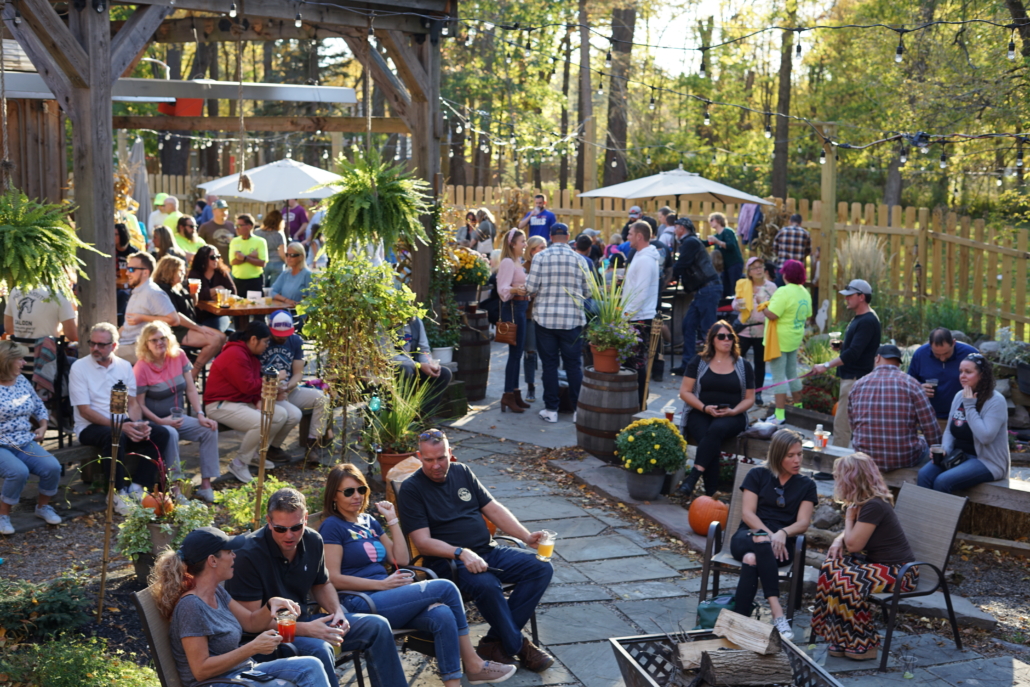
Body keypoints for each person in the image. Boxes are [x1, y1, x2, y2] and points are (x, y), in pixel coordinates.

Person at [319, 464, 517, 686]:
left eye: (361, 490)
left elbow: (401, 559)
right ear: (333, 496)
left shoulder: (368, 521)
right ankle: (472, 663)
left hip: (388, 597)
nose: (356, 496)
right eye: (348, 491)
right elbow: (333, 578)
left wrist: (393, 520)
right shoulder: (332, 527)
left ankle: (454, 684)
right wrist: (382, 585)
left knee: (442, 614)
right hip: (361, 602)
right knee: (446, 588)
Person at [399, 429, 555, 671]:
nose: (436, 465)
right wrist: (461, 552)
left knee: (540, 568)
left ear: (450, 453)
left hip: (487, 551)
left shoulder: (462, 472)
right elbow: (423, 542)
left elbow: (493, 508)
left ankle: (494, 643)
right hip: (448, 563)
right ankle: (518, 646)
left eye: (441, 458)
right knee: (486, 584)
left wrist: (526, 536)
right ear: (419, 456)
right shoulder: (411, 489)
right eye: (428, 460)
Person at [226, 488, 409, 687]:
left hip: (304, 622)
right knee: (320, 648)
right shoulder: (247, 555)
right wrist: (307, 629)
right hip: (268, 639)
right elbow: (252, 624)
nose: (289, 535)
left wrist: (337, 611)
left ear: (305, 519)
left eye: (296, 527)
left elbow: (322, 583)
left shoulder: (313, 540)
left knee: (378, 626)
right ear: (269, 522)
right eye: (280, 529)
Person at [150, 526, 333, 687]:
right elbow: (201, 670)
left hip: (241, 673)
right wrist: (253, 647)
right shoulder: (191, 607)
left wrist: (270, 605)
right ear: (213, 560)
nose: (234, 556)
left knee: (311, 665)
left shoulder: (217, 593)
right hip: (218, 682)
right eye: (229, 551)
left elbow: (251, 622)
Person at [811, 453, 917, 661]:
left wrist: (848, 520)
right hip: (878, 567)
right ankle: (842, 635)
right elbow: (853, 537)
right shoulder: (864, 503)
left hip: (901, 572)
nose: (835, 480)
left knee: (848, 580)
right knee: (831, 567)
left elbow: (854, 544)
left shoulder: (873, 505)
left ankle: (866, 643)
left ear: (851, 479)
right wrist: (837, 539)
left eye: (838, 476)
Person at [69, 323, 174, 515]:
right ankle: (116, 493)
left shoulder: (124, 366)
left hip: (120, 422)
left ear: (114, 346)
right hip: (90, 426)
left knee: (160, 433)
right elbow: (84, 411)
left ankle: (137, 487)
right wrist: (121, 427)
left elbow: (133, 403)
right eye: (92, 343)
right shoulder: (79, 367)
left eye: (101, 345)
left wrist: (137, 424)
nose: (95, 348)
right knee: (115, 436)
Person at [730, 428, 817, 639]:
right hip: (748, 536)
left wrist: (783, 532)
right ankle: (778, 614)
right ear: (778, 456)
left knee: (752, 559)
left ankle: (738, 623)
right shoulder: (757, 474)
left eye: (799, 454)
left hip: (781, 546)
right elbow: (748, 514)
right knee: (758, 541)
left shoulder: (807, 485)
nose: (797, 460)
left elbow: (803, 522)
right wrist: (769, 534)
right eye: (791, 456)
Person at [133, 321, 220, 503]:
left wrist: (200, 415)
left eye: (163, 338)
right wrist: (162, 421)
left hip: (177, 418)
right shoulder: (141, 367)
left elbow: (190, 389)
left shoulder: (178, 356)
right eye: (154, 340)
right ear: (146, 344)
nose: (159, 343)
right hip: (156, 422)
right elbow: (139, 405)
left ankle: (206, 486)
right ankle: (176, 489)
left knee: (209, 428)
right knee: (170, 433)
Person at [204, 322, 298, 483]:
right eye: (266, 341)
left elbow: (251, 385)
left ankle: (255, 455)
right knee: (263, 421)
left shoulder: (249, 354)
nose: (267, 346)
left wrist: (257, 402)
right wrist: (274, 379)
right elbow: (248, 386)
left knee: (280, 414)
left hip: (239, 402)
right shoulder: (236, 353)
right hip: (219, 405)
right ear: (254, 339)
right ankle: (239, 463)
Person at [677, 321, 755, 496]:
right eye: (721, 336)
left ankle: (693, 478)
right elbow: (685, 392)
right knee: (709, 436)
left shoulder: (743, 365)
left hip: (733, 415)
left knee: (716, 430)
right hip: (700, 411)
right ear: (712, 340)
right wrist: (704, 408)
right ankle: (711, 495)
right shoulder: (699, 361)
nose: (726, 340)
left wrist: (734, 411)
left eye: (730, 337)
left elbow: (750, 399)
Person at [524, 222, 589, 424]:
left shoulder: (541, 257)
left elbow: (530, 287)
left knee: (549, 365)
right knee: (573, 365)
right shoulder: (580, 259)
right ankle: (578, 410)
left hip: (546, 319)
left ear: (551, 237)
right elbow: (588, 292)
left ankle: (551, 410)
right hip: (572, 320)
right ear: (569, 237)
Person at [918, 352, 1009, 493]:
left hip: (986, 461)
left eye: (968, 372)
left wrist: (970, 406)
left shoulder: (996, 401)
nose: (962, 376)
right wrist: (945, 449)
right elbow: (949, 429)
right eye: (960, 372)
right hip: (958, 455)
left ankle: (942, 515)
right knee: (924, 475)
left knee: (943, 481)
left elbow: (985, 437)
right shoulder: (959, 395)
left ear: (982, 375)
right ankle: (924, 515)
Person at [0, 341, 63, 534]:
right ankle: (3, 516)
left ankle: (42, 507)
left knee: (52, 467)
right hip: (1, 444)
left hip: (25, 440)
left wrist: (43, 426)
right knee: (18, 472)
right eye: (19, 359)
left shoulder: (22, 381)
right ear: (6, 362)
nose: (23, 363)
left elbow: (38, 406)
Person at [847, 345, 941, 472]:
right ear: (898, 363)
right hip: (904, 458)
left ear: (878, 358)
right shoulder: (912, 384)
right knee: (923, 444)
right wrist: (937, 451)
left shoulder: (857, 385)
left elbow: (853, 424)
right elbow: (930, 426)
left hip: (865, 457)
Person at [812, 279, 881, 447]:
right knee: (846, 423)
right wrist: (842, 345)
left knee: (842, 424)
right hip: (851, 377)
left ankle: (837, 466)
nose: (846, 299)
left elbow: (853, 354)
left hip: (854, 379)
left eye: (850, 296)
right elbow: (859, 347)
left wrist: (825, 365)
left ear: (861, 297)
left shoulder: (867, 321)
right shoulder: (861, 318)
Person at [260, 311, 330, 450]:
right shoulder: (262, 341)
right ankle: (269, 448)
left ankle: (313, 444)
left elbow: (298, 373)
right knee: (291, 415)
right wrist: (273, 386)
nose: (282, 338)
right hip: (264, 392)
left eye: (285, 334)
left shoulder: (296, 340)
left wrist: (287, 387)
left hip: (287, 389)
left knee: (322, 398)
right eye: (278, 335)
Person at [152, 255, 227, 377]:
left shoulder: (178, 287)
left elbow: (191, 307)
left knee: (222, 337)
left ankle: (193, 370)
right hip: (175, 328)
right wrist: (197, 328)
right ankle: (193, 374)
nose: (183, 274)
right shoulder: (162, 289)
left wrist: (194, 295)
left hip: (188, 324)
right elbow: (176, 315)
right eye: (180, 271)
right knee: (214, 340)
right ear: (169, 271)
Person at [762, 260, 812, 423]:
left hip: (779, 340)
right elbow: (808, 314)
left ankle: (779, 415)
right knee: (792, 374)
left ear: (786, 274)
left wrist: (761, 306)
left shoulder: (784, 291)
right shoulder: (804, 292)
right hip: (794, 339)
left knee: (779, 377)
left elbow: (772, 314)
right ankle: (799, 407)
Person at [672, 217, 721, 374]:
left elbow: (681, 265)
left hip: (708, 289)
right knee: (688, 325)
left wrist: (667, 277)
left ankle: (715, 366)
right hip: (703, 290)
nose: (674, 231)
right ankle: (688, 365)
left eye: (676, 227)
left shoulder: (691, 242)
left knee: (708, 330)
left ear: (682, 228)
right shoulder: (690, 242)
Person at [906, 328, 979, 423]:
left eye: (946, 353)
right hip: (929, 417)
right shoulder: (920, 354)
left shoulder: (970, 354)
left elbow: (984, 381)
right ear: (930, 345)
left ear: (954, 343)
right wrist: (918, 388)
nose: (942, 358)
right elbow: (908, 383)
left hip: (963, 417)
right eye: (937, 354)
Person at [623, 221, 660, 408]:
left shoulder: (645, 260)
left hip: (639, 317)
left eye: (630, 233)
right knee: (631, 361)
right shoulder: (641, 256)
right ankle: (634, 401)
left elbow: (641, 292)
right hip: (635, 316)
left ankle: (639, 403)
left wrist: (626, 315)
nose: (627, 236)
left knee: (637, 362)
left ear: (639, 236)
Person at [119, 252, 179, 364]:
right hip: (125, 343)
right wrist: (111, 338)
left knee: (98, 354)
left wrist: (143, 318)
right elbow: (126, 324)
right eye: (127, 268)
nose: (127, 273)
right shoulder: (137, 290)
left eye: (131, 269)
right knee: (96, 347)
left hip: (139, 347)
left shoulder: (153, 292)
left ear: (145, 272)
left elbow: (174, 320)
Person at [733, 256, 777, 406]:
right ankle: (737, 391)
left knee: (760, 363)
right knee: (737, 361)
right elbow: (734, 303)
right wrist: (738, 305)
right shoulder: (743, 284)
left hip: (762, 329)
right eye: (754, 268)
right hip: (744, 329)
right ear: (749, 272)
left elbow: (776, 306)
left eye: (760, 267)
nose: (758, 270)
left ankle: (757, 393)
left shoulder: (771, 287)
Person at [497, 229, 531, 414]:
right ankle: (508, 394)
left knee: (517, 353)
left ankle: (515, 392)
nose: (525, 244)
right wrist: (519, 290)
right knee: (515, 353)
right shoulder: (508, 262)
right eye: (522, 241)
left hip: (521, 308)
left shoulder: (517, 262)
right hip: (513, 309)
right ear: (512, 244)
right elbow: (503, 290)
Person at [390, 316, 453, 414]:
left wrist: (429, 364)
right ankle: (403, 416)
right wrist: (418, 365)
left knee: (444, 374)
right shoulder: (382, 322)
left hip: (415, 365)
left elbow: (424, 349)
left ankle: (423, 416)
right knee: (405, 371)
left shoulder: (415, 322)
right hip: (391, 368)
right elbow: (389, 356)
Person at [4, 286, 77, 344]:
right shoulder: (59, 294)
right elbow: (72, 335)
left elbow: (9, 329)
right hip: (47, 358)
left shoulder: (15, 290)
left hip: (18, 358)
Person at [522, 236, 547, 402]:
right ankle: (530, 387)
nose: (544, 251)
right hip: (530, 315)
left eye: (545, 247)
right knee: (530, 352)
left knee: (547, 354)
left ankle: (550, 389)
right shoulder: (524, 268)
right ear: (531, 251)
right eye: (540, 248)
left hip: (546, 315)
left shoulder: (549, 266)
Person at [187, 246, 236, 332]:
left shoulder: (222, 272)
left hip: (220, 314)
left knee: (216, 329)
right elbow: (194, 295)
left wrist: (211, 294)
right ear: (203, 259)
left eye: (218, 256)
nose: (216, 260)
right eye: (213, 257)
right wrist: (216, 290)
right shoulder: (194, 274)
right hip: (200, 316)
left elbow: (232, 292)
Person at [229, 214, 268, 298]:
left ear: (249, 226)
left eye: (240, 225)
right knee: (238, 308)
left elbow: (262, 263)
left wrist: (244, 257)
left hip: (254, 282)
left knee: (255, 308)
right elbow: (233, 262)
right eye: (236, 225)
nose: (237, 228)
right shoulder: (234, 241)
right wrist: (250, 257)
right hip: (238, 282)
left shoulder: (260, 241)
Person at [706, 212, 744, 298]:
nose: (710, 222)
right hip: (725, 267)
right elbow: (706, 243)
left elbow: (731, 245)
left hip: (734, 264)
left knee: (734, 288)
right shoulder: (717, 236)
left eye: (712, 220)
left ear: (719, 220)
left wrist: (717, 241)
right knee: (726, 290)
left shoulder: (727, 231)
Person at [271, 242, 313, 307]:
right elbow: (272, 291)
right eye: (287, 255)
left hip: (299, 314)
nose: (288, 258)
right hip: (285, 311)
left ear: (301, 257)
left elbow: (313, 298)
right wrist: (286, 300)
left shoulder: (307, 275)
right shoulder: (285, 274)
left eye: (292, 255)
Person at [772, 214, 811, 284]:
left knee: (780, 291)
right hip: (798, 270)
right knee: (796, 293)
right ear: (801, 223)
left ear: (790, 222)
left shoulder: (781, 231)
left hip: (782, 267)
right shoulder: (806, 233)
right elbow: (808, 251)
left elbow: (775, 248)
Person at [256, 209, 288, 287]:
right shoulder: (279, 234)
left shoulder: (257, 232)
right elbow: (282, 254)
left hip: (262, 263)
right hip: (277, 264)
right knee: (274, 289)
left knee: (261, 287)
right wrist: (288, 263)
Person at [197, 199, 236, 263]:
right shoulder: (205, 227)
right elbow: (199, 246)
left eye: (226, 210)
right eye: (221, 210)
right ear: (213, 211)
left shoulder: (231, 225)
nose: (224, 212)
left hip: (229, 265)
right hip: (212, 264)